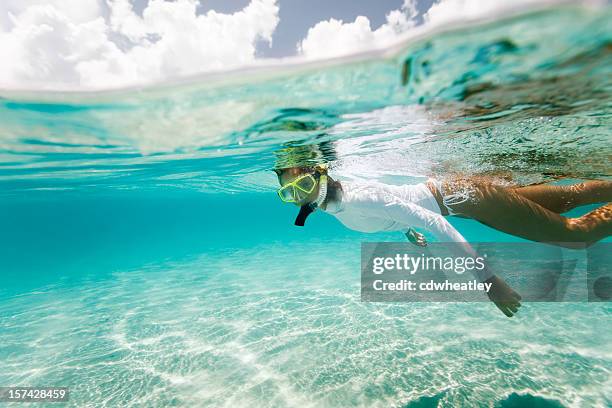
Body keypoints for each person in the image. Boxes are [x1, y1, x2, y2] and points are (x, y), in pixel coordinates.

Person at [274, 164, 612, 317]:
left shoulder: (358, 198)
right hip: (462, 196)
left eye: (302, 185)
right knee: (569, 196)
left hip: (467, 199)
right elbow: (400, 205)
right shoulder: (341, 202)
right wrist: (407, 229)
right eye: (288, 194)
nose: (300, 198)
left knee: (575, 234)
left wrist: (488, 281)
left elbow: (432, 218)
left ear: (321, 172)